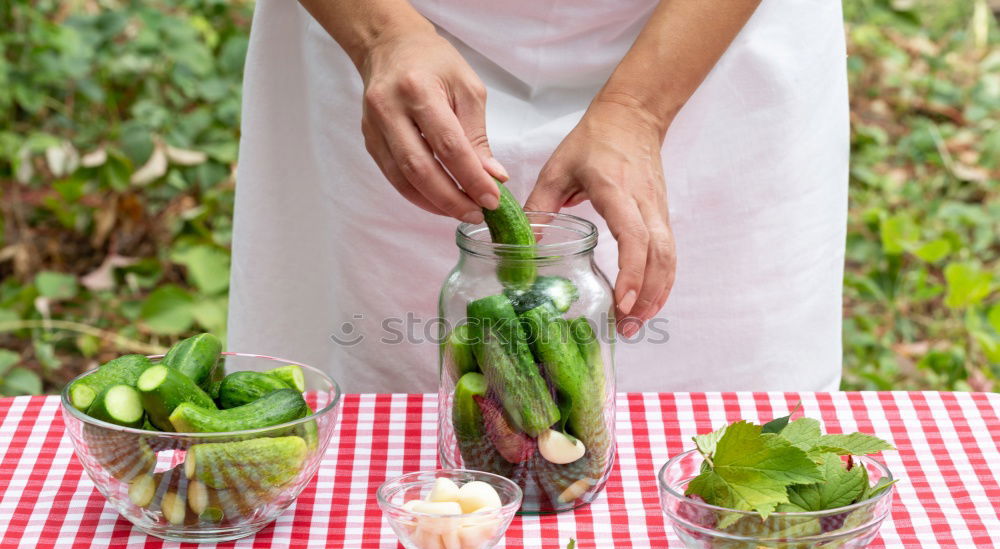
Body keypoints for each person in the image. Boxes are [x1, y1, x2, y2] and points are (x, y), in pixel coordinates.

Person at [228, 0, 849, 393]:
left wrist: (639, 107)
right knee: (364, 398)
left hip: (703, 39)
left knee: (732, 428)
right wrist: (380, 35)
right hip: (371, 26)